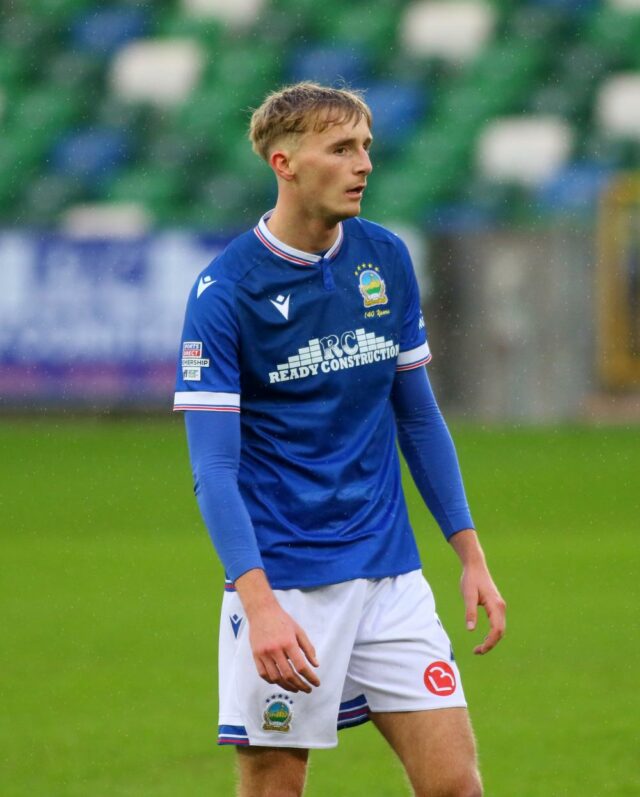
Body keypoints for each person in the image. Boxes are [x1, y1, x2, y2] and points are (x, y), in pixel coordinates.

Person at [174, 82, 506, 797]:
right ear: (285, 163)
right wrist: (260, 604)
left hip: (390, 574)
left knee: (456, 785)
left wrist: (469, 552)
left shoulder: (384, 256)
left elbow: (418, 418)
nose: (364, 164)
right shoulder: (226, 292)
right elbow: (215, 468)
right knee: (276, 790)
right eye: (342, 148)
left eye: (366, 147)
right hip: (286, 585)